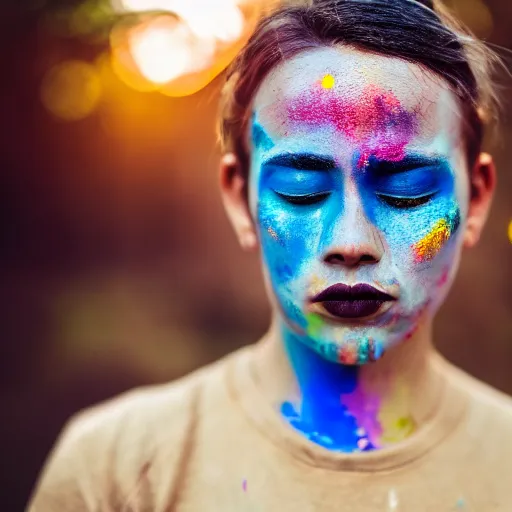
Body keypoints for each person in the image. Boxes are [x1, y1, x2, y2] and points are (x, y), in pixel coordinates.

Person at [28, 0, 512, 510]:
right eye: (301, 189)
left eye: (407, 188)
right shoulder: (116, 468)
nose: (351, 242)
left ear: (475, 199)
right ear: (241, 199)